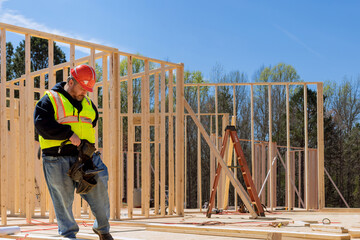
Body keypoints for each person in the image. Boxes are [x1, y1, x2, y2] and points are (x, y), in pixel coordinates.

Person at [34, 64, 113, 240]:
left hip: (84, 157)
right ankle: (69, 235)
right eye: (82, 88)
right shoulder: (49, 100)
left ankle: (103, 229)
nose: (85, 92)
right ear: (71, 81)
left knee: (100, 186)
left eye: (88, 89)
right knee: (62, 199)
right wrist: (68, 134)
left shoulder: (88, 104)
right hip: (56, 157)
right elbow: (41, 124)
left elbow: (91, 123)